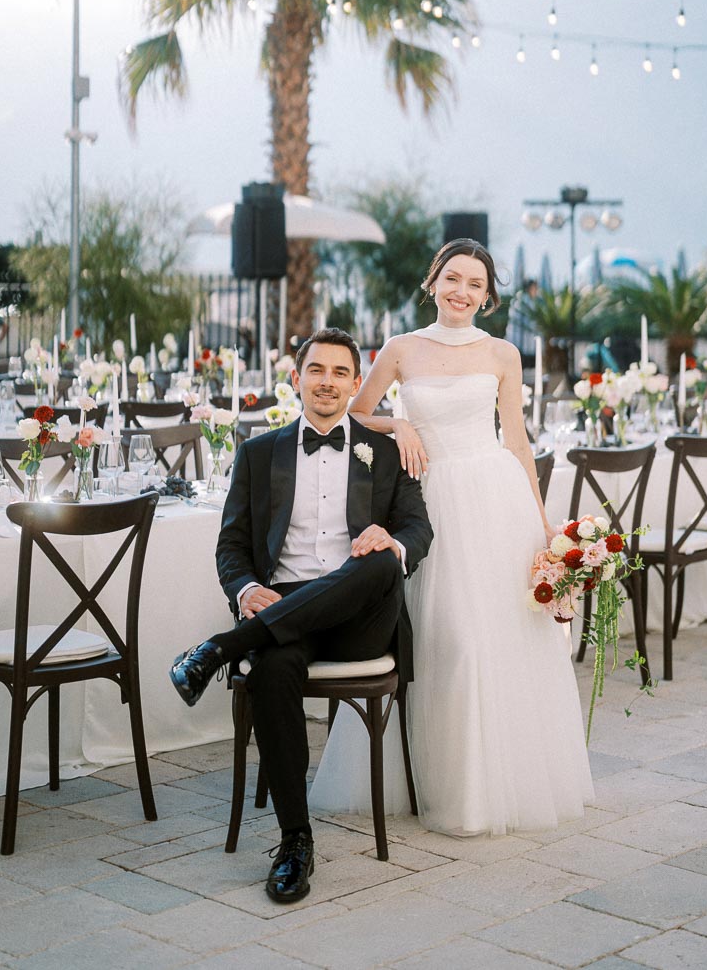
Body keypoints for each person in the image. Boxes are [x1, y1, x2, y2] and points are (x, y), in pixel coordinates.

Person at [309, 238, 594, 835]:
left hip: (496, 500)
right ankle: (437, 784)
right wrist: (399, 422)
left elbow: (517, 440)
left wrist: (543, 522)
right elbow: (352, 415)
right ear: (433, 281)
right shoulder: (400, 348)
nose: (462, 292)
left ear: (488, 297)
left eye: (475, 284)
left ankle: (491, 789)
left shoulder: (503, 354)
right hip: (428, 500)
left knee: (500, 640)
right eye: (452, 278)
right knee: (447, 640)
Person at [168, 328, 433, 903]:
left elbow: (419, 530)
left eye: (341, 373)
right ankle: (295, 841)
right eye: (317, 370)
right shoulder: (259, 454)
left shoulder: (384, 452)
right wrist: (243, 590)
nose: (328, 382)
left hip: (359, 615)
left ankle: (220, 648)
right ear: (296, 379)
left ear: (357, 384)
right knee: (271, 670)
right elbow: (231, 547)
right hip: (284, 609)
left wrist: (390, 537)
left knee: (384, 560)